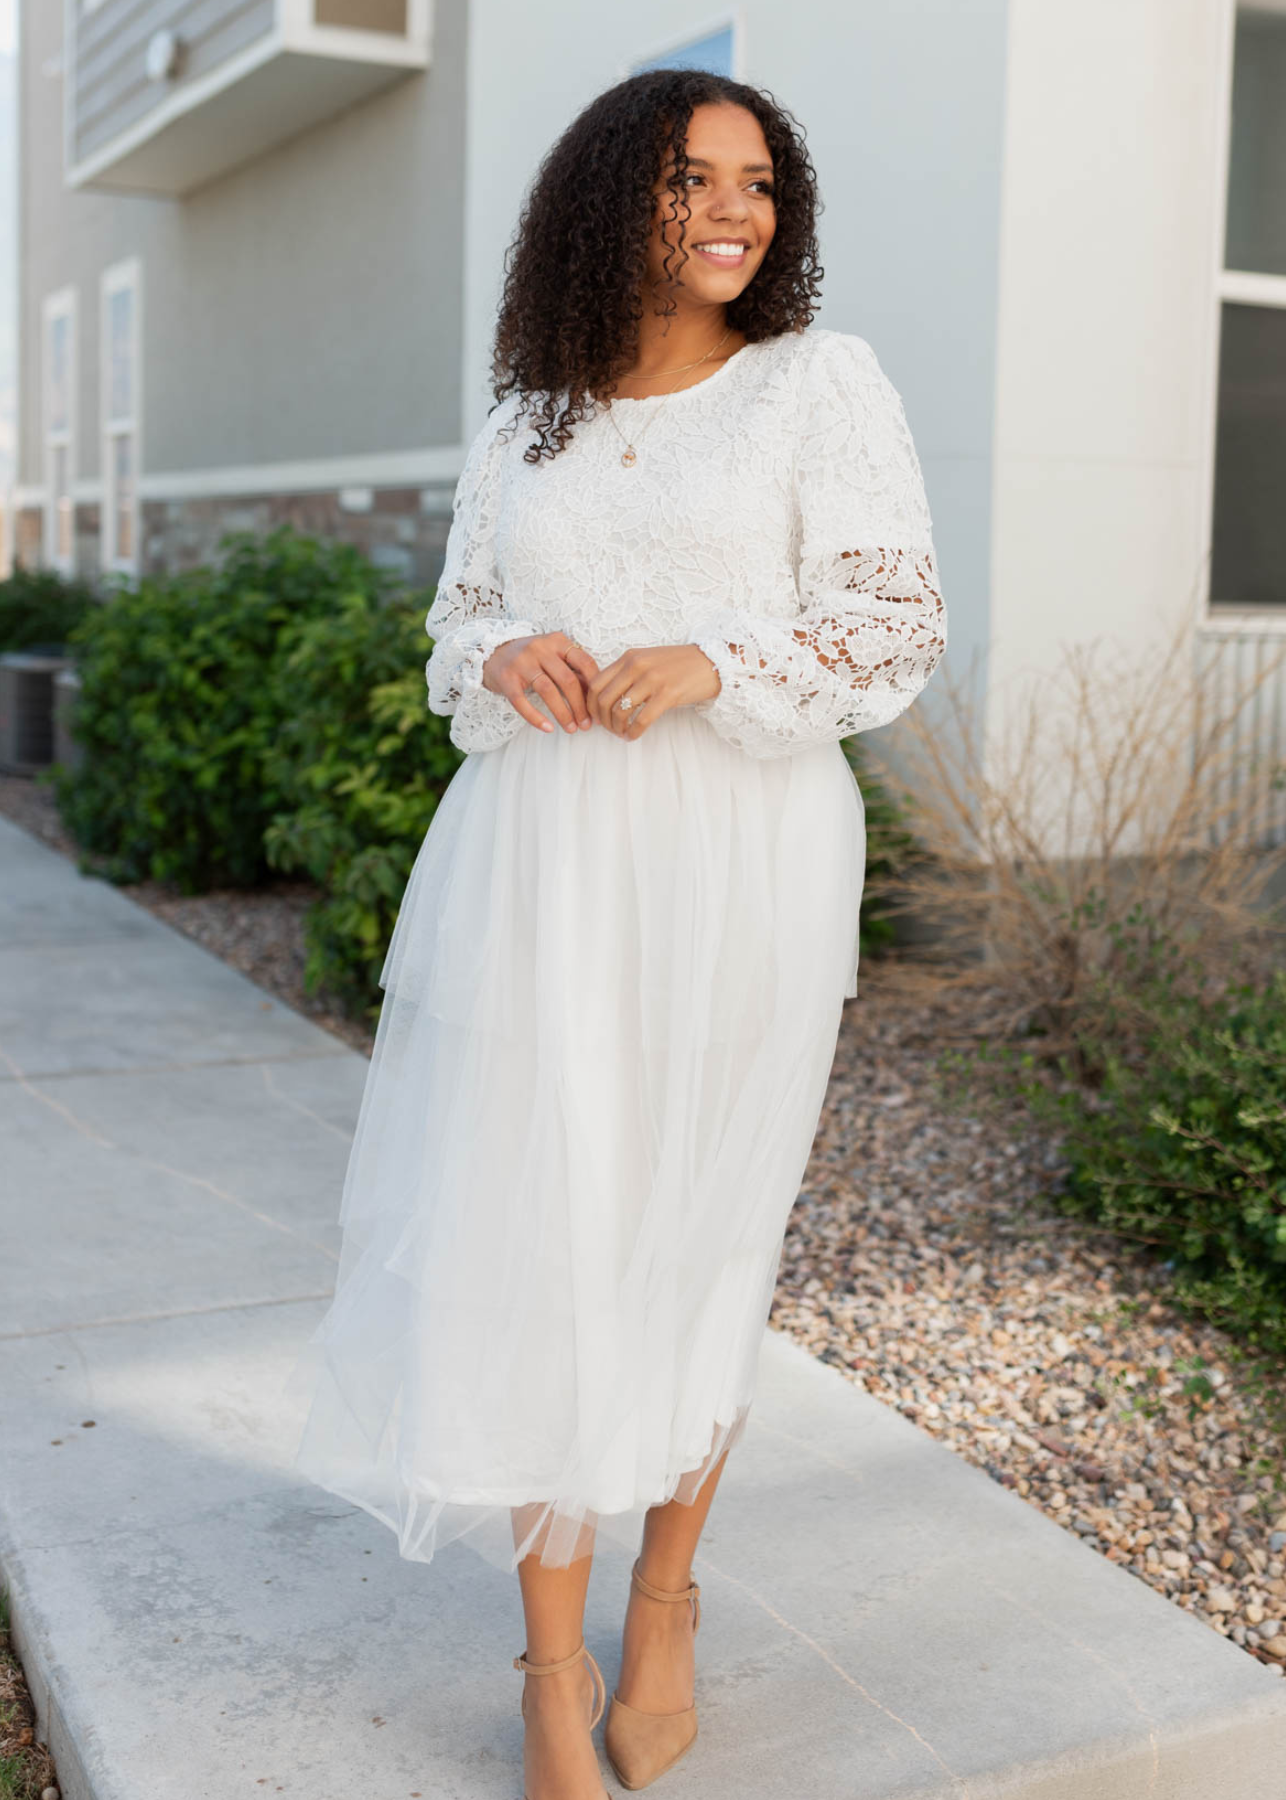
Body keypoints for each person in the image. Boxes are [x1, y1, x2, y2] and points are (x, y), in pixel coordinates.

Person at [287, 66, 946, 1800]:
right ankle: (546, 1674)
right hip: (546, 857)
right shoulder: (528, 418)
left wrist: (717, 659)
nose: (735, 209)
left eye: (757, 182)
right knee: (532, 1234)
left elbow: (888, 625)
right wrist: (503, 656)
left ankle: (666, 1606)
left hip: (741, 851)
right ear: (607, 204)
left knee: (695, 1225)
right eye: (689, 179)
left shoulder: (817, 385)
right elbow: (463, 634)